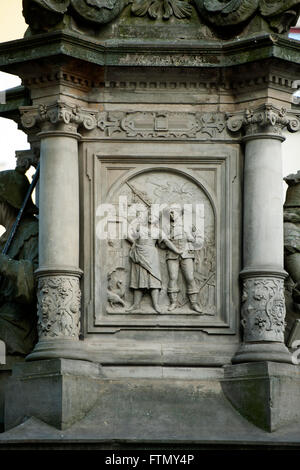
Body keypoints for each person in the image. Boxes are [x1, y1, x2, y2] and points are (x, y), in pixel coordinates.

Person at [0, 168, 38, 356]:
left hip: (17, 323)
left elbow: (37, 281)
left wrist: (4, 264)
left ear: (5, 203)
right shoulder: (5, 238)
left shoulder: (32, 232)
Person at [127, 211, 181, 313]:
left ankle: (156, 305)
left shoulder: (159, 231)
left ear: (158, 219)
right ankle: (135, 304)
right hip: (139, 253)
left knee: (154, 278)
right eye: (150, 215)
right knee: (139, 278)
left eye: (155, 216)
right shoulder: (140, 227)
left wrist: (177, 250)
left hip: (152, 255)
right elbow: (127, 233)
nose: (152, 217)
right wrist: (134, 242)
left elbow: (167, 242)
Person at [165, 206, 203, 313]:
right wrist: (168, 239)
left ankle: (194, 303)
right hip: (172, 255)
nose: (171, 215)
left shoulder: (189, 225)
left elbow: (199, 240)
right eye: (170, 213)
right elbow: (161, 244)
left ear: (179, 213)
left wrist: (191, 238)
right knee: (173, 277)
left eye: (173, 212)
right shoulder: (168, 227)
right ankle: (173, 302)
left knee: (190, 278)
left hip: (187, 253)